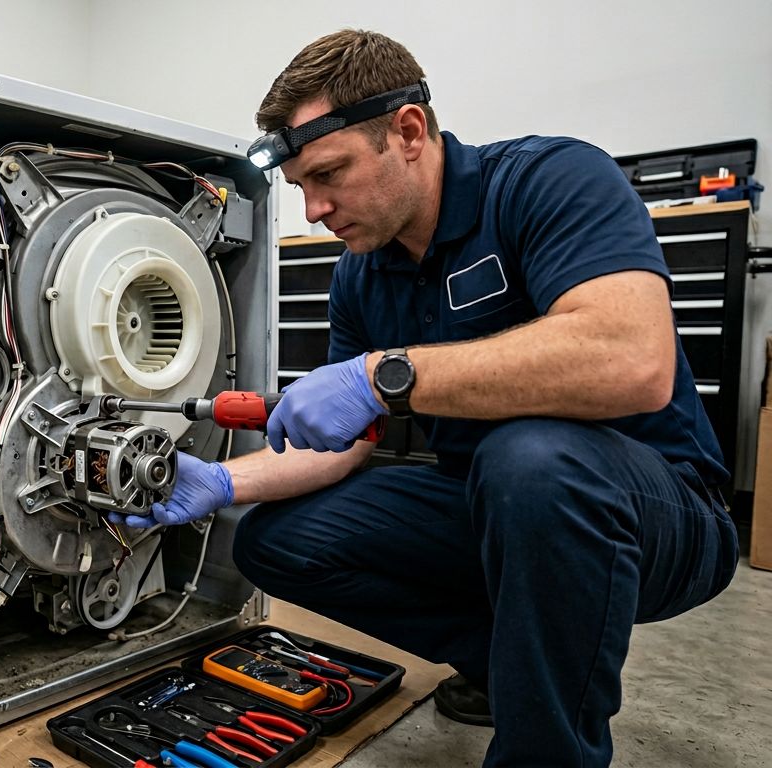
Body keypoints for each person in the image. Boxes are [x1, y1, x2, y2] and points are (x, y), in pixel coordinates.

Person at [109, 29, 739, 767]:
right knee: (274, 542)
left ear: (408, 132)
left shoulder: (550, 180)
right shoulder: (362, 272)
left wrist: (384, 374)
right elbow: (344, 448)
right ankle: (510, 664)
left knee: (530, 457)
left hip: (661, 513)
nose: (313, 209)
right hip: (492, 503)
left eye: (329, 174)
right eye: (301, 187)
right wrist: (220, 483)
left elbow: (631, 361)